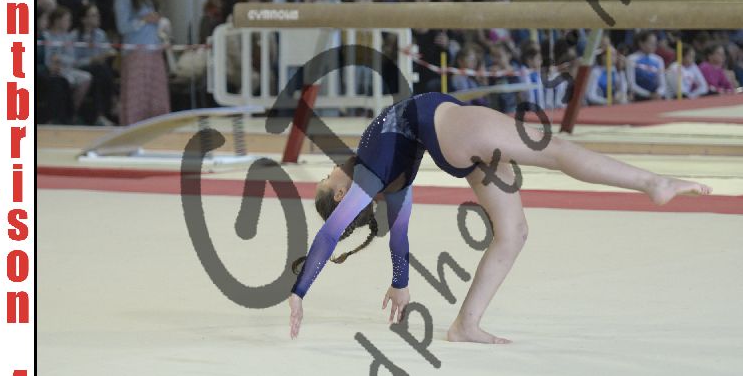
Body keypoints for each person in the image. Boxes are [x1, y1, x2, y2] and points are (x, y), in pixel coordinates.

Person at [287, 93, 712, 343]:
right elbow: (329, 234)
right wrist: (299, 291)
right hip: (452, 126)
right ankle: (652, 183)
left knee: (513, 231)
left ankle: (466, 325)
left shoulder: (388, 187)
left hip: (451, 146)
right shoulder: (368, 175)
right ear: (339, 193)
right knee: (557, 150)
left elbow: (400, 240)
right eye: (327, 179)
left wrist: (401, 285)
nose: (330, 170)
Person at [113, 0, 170, 125]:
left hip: (153, 50)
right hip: (136, 52)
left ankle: (156, 124)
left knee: (155, 94)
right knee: (136, 94)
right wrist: (143, 20)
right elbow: (122, 27)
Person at [626, 31, 667, 101]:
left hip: (656, 96)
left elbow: (662, 83)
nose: (654, 46)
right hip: (639, 97)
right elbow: (631, 84)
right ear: (641, 43)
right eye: (651, 43)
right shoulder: (632, 59)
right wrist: (648, 95)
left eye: (655, 43)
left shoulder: (658, 60)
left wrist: (659, 93)